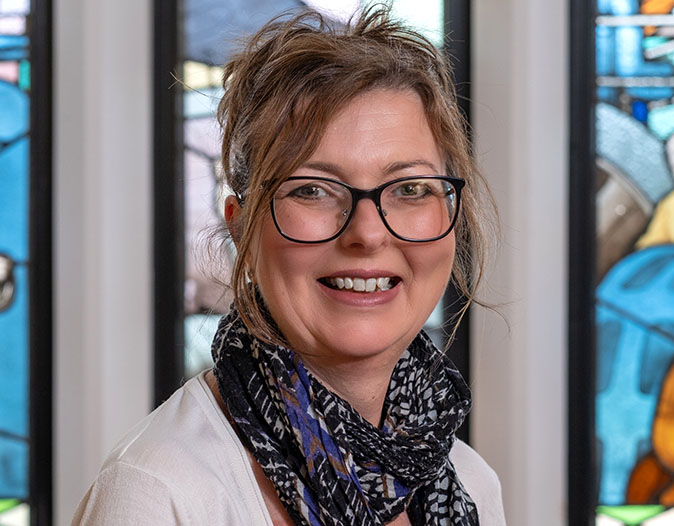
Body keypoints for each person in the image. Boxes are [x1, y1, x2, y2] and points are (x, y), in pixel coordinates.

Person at [73, 6, 505, 525]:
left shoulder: (470, 482)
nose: (367, 233)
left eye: (411, 189)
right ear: (243, 228)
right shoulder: (158, 493)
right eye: (312, 190)